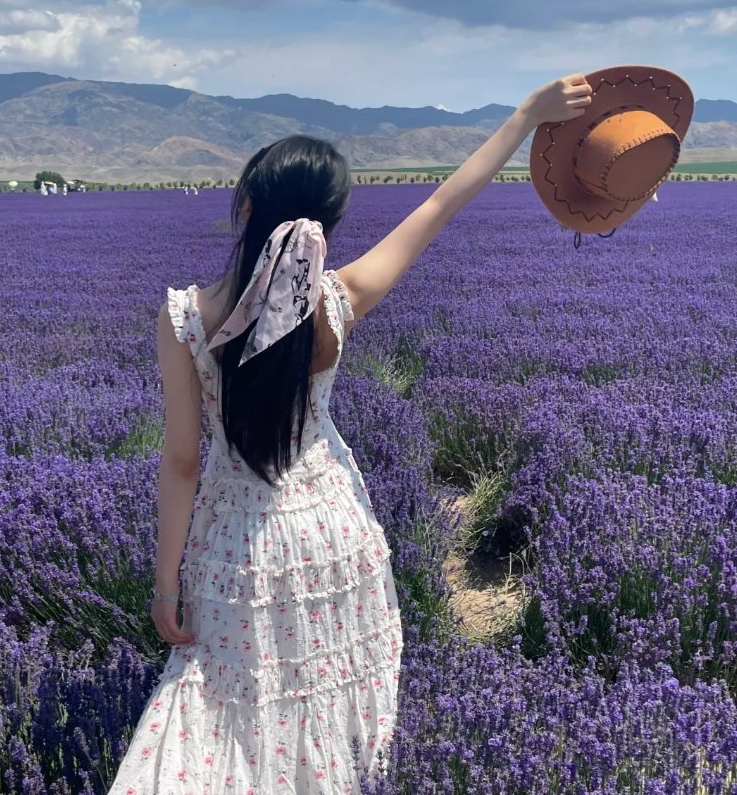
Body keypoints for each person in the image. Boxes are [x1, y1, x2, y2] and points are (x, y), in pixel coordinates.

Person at [108, 73, 592, 794]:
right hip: (334, 536)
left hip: (236, 545)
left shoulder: (183, 316)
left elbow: (181, 462)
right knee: (333, 714)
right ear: (328, 224)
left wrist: (163, 585)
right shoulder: (340, 301)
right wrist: (525, 116)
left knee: (222, 712)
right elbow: (440, 202)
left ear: (243, 207)